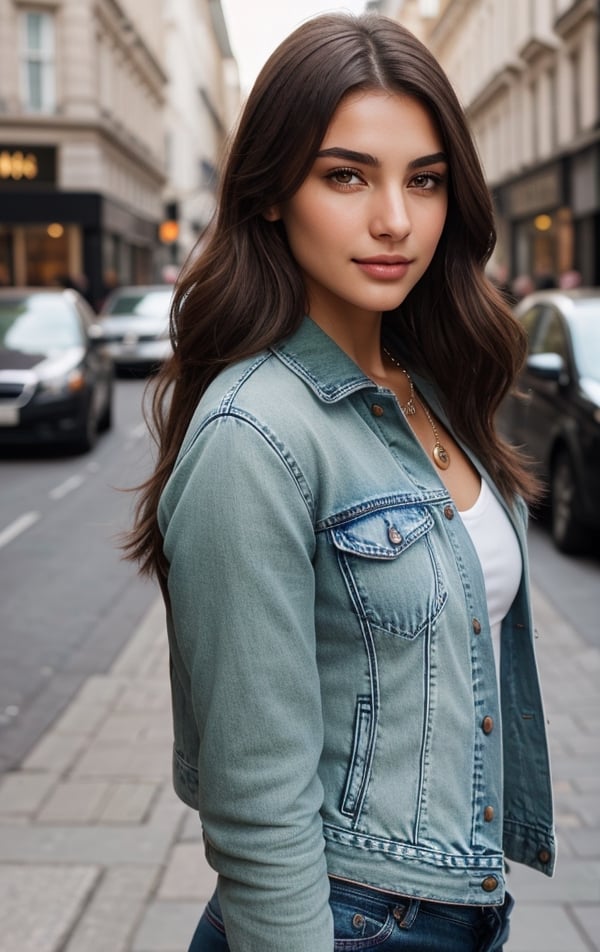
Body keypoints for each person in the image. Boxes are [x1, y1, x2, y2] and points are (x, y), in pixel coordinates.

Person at [125, 14, 555, 952]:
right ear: (274, 192)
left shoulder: (432, 381)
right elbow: (256, 804)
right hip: (347, 920)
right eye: (347, 175)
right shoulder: (254, 435)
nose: (395, 219)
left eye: (426, 180)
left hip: (461, 903)